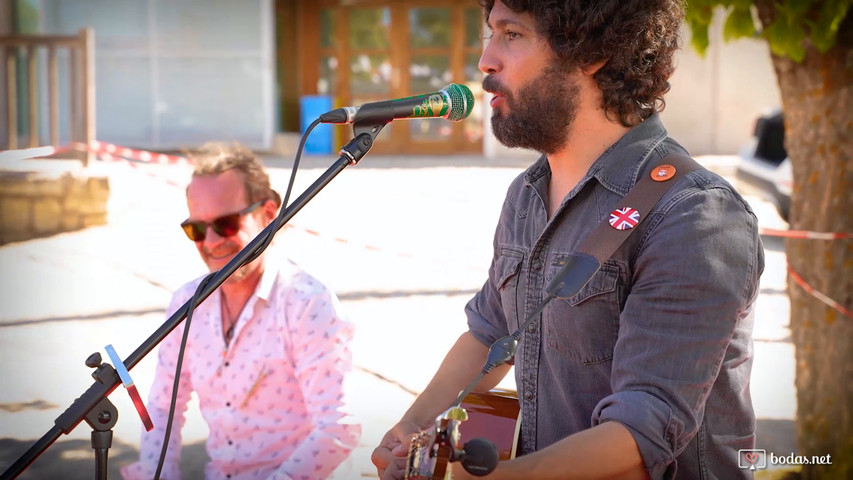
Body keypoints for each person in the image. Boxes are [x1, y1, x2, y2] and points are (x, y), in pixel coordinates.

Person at [372, 1, 763, 479]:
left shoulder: (695, 214)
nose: (485, 60)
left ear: (592, 51)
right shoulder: (527, 194)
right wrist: (412, 427)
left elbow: (646, 428)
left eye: (511, 34)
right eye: (490, 33)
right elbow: (490, 332)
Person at [122, 142, 360, 480]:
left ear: (269, 213)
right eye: (197, 230)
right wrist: (156, 473)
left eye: (227, 224)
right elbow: (162, 408)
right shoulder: (186, 303)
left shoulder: (307, 303)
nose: (211, 242)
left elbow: (338, 426)